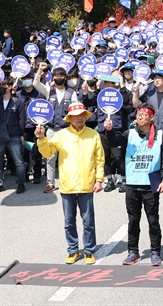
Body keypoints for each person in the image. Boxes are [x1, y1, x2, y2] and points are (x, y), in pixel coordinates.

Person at [36, 103, 104, 265]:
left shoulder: (93, 135)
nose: (80, 118)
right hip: (67, 185)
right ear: (70, 118)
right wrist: (41, 138)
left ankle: (89, 251)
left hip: (87, 184)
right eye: (76, 115)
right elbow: (47, 152)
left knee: (88, 221)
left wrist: (99, 179)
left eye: (82, 115)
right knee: (69, 221)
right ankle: (73, 250)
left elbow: (99, 159)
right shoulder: (61, 135)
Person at [106, 103, 163, 267]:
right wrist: (110, 130)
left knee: (153, 220)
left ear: (151, 117)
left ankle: (155, 251)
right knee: (133, 220)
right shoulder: (130, 133)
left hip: (152, 182)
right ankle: (132, 251)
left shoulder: (160, 135)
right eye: (138, 115)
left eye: (144, 115)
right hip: (133, 183)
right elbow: (114, 142)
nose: (140, 117)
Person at [132, 69, 163, 192]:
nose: (156, 80)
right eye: (155, 78)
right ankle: (157, 179)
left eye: (159, 78)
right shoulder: (149, 94)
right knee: (154, 156)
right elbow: (136, 104)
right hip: (154, 130)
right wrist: (136, 92)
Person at [33, 64, 79, 193]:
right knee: (50, 157)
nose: (59, 78)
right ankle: (50, 183)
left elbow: (75, 112)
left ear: (65, 78)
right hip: (52, 129)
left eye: (61, 76)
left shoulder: (71, 93)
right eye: (56, 76)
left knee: (69, 156)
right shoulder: (49, 90)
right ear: (53, 78)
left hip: (67, 130)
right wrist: (40, 70)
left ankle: (71, 181)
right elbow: (36, 83)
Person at [0, 77, 27, 193]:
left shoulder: (18, 101)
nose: (2, 87)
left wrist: (22, 135)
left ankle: (21, 183)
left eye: (4, 86)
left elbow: (22, 120)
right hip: (0, 135)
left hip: (14, 135)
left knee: (19, 161)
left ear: (10, 87)